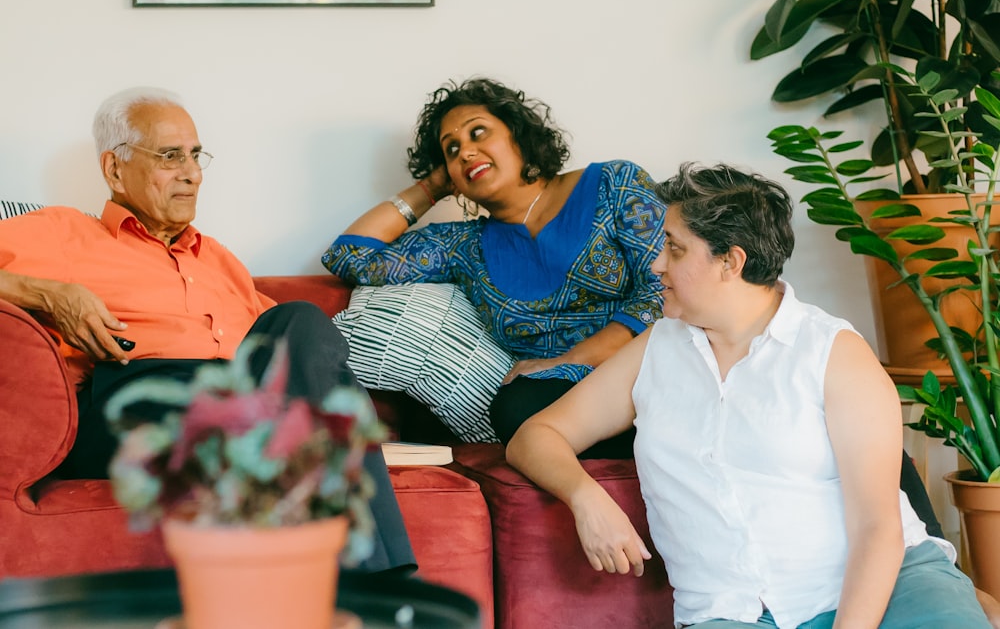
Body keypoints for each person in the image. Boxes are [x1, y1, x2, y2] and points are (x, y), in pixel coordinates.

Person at [506, 163, 993, 627]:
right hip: (732, 612)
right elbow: (536, 435)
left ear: (730, 262)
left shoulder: (833, 352)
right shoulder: (656, 350)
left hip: (887, 590)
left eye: (674, 249)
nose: (655, 265)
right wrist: (585, 496)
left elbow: (878, 529)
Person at [0, 87, 415, 574]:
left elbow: (298, 359)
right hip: (131, 399)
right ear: (114, 168)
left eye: (196, 156)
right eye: (170, 156)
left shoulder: (219, 259)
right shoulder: (61, 233)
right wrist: (49, 294)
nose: (192, 174)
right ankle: (385, 589)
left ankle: (363, 582)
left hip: (240, 406)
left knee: (302, 321)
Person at [323, 77, 666, 457]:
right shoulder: (463, 246)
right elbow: (349, 256)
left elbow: (662, 291)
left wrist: (569, 360)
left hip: (645, 369)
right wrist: (434, 185)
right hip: (553, 400)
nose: (466, 152)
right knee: (514, 408)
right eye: (452, 150)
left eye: (478, 133)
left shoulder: (614, 185)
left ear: (519, 135)